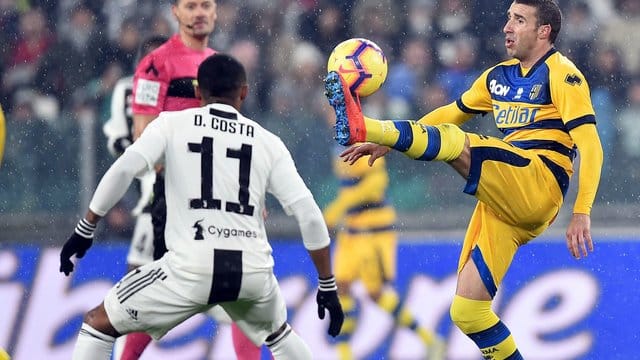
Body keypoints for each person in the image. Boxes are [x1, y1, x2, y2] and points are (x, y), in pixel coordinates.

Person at [323, 1, 603, 359]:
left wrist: (582, 210)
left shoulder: (562, 74)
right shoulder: (497, 77)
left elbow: (591, 146)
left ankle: (362, 124)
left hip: (538, 181)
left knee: (456, 144)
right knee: (468, 312)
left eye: (519, 20)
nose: (507, 27)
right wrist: (389, 144)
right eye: (508, 18)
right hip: (506, 203)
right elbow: (450, 113)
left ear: (543, 31)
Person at [59, 53, 344, 360]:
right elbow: (310, 215)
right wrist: (327, 285)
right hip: (251, 271)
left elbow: (125, 168)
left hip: (191, 266)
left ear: (197, 91)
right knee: (279, 335)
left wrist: (86, 227)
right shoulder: (268, 142)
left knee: (98, 323)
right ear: (244, 92)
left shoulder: (171, 125)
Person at [129, 0, 259, 358]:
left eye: (206, 5)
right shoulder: (155, 65)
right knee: (158, 297)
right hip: (176, 199)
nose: (199, 12)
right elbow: (144, 138)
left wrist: (246, 194)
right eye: (191, 5)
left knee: (243, 295)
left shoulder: (222, 67)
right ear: (176, 12)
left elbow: (234, 139)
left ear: (215, 12)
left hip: (225, 200)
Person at [322, 118, 446, 360]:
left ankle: (429, 340)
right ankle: (344, 354)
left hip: (373, 230)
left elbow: (376, 184)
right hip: (352, 229)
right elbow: (349, 184)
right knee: (342, 286)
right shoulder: (337, 142)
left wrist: (337, 209)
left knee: (375, 293)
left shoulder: (364, 135)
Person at [102, 34, 167, 360]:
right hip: (150, 204)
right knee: (134, 291)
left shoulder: (184, 89)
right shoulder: (127, 90)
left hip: (186, 207)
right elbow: (116, 140)